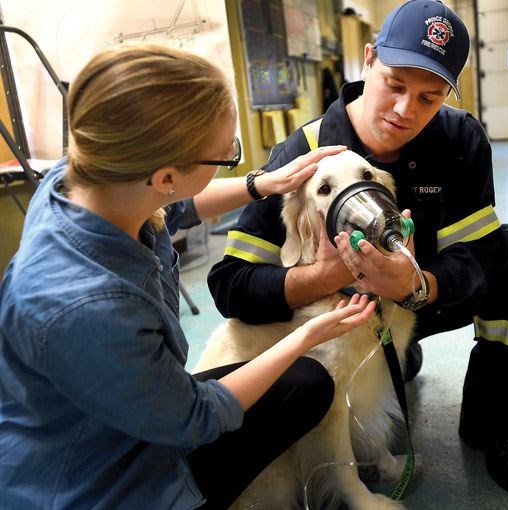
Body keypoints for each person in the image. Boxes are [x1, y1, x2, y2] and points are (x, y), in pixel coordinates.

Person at [0, 44, 377, 510]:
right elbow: (196, 417)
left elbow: (175, 208)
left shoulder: (81, 179)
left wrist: (261, 183)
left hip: (117, 415)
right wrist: (304, 337)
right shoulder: (91, 308)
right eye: (225, 156)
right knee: (302, 375)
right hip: (100, 485)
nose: (231, 160)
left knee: (305, 383)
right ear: (164, 175)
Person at [208, 0, 508, 496]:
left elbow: (479, 258)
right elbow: (230, 286)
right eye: (395, 85)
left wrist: (416, 284)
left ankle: (496, 428)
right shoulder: (304, 154)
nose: (404, 111)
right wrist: (326, 277)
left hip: (424, 298)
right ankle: (392, 355)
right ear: (369, 59)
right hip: (344, 314)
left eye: (429, 97)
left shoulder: (461, 140)